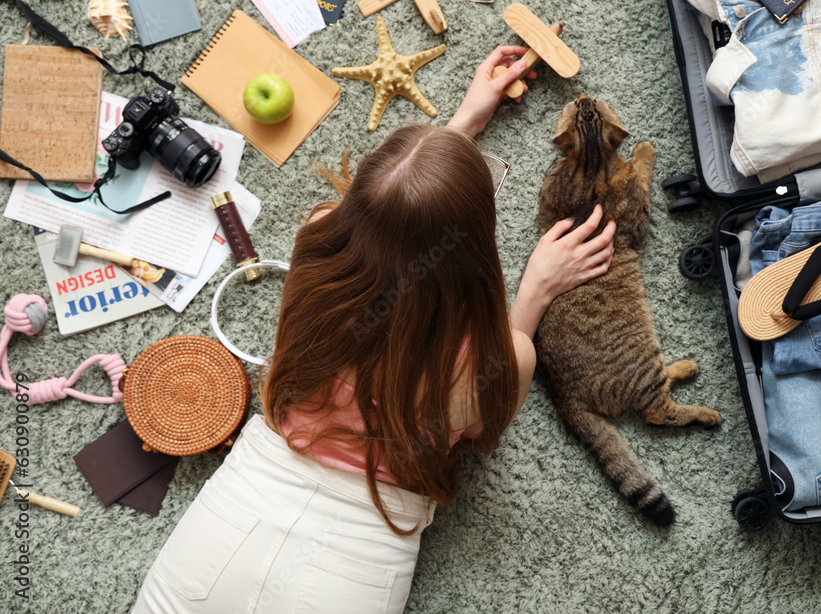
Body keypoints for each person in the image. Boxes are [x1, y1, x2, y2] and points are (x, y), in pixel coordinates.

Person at [133, 47, 616, 613]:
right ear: (474, 253)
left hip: (230, 524)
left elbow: (383, 219)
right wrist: (533, 292)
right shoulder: (505, 355)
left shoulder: (316, 241)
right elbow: (482, 423)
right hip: (351, 568)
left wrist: (451, 137)